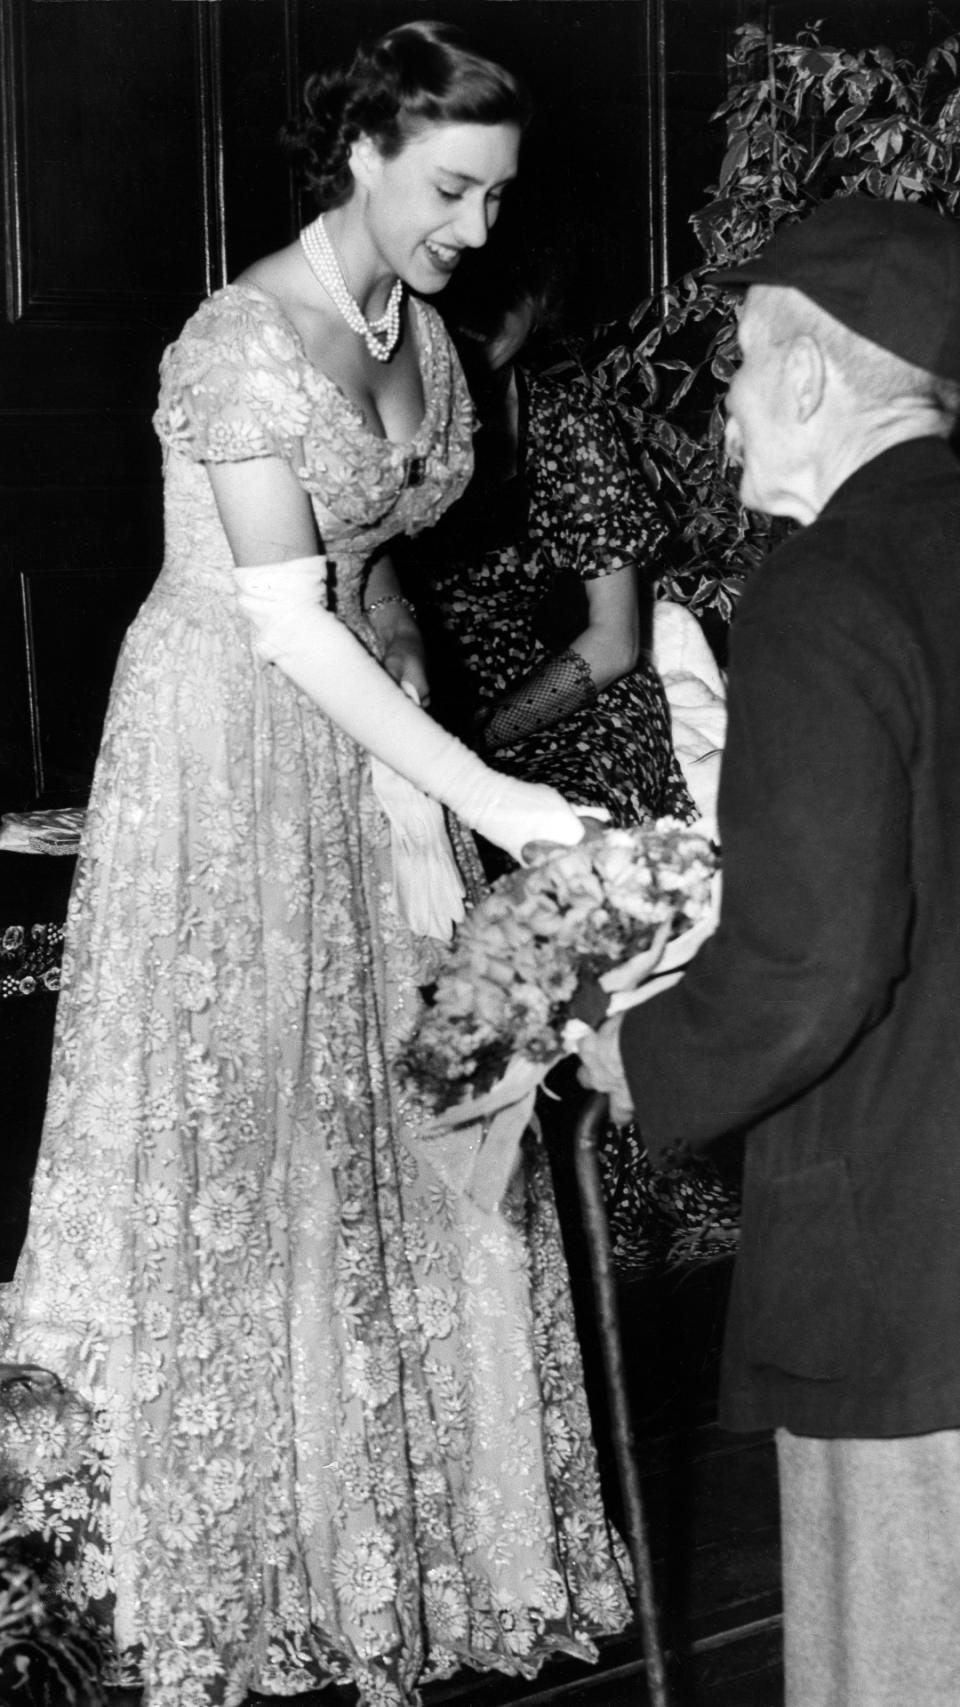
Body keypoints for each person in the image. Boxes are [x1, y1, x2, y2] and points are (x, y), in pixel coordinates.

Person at [0, 23, 632, 1707]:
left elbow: (370, 580)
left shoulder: (415, 321)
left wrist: (422, 784)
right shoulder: (235, 341)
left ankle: (417, 1533)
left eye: (496, 197)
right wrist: (484, 789)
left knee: (413, 1132)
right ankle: (206, 1556)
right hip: (231, 744)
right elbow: (281, 617)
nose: (478, 231)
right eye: (451, 189)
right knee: (252, 1137)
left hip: (380, 740)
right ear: (360, 154)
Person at [577, 194, 960, 1706]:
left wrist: (637, 1053)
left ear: (808, 373)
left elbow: (813, 960)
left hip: (909, 1267)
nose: (726, 406)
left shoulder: (825, 589)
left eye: (738, 363)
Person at [400, 268, 740, 1274]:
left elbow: (615, 642)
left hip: (574, 714)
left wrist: (483, 747)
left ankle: (617, 1204)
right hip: (432, 722)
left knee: (577, 831)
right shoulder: (394, 417)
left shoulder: (567, 421)